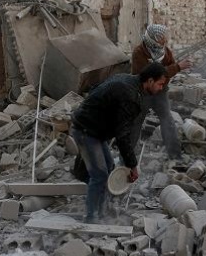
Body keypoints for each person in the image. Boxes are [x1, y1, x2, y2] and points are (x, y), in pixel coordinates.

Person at [71, 63, 168, 223]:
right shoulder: (130, 96)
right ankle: (91, 218)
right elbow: (122, 135)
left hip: (95, 129)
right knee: (100, 175)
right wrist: (133, 166)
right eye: (160, 84)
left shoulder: (130, 81)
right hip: (86, 130)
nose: (160, 88)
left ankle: (101, 209)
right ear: (150, 81)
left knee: (108, 167)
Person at [131, 24, 192, 160]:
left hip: (160, 92)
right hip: (143, 93)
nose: (164, 42)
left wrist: (166, 78)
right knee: (136, 121)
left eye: (164, 39)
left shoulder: (165, 52)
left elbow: (168, 71)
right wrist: (176, 67)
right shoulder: (139, 53)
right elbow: (148, 76)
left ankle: (175, 156)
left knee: (167, 121)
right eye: (161, 39)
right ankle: (129, 156)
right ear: (152, 39)